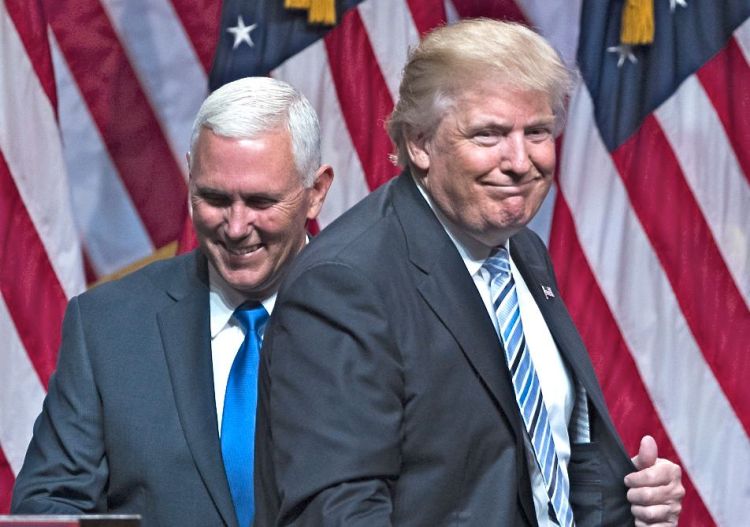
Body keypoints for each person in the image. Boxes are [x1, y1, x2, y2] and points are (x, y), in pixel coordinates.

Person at [254, 19, 684, 526]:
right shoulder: (345, 282)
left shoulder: (521, 250)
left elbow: (549, 458)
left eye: (538, 132)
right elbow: (336, 512)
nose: (520, 160)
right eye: (489, 134)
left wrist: (629, 501)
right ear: (419, 144)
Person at [11, 77, 333, 527]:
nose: (237, 227)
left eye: (260, 201)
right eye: (215, 198)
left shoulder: (385, 314)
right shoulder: (108, 326)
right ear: (189, 179)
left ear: (315, 192)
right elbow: (48, 508)